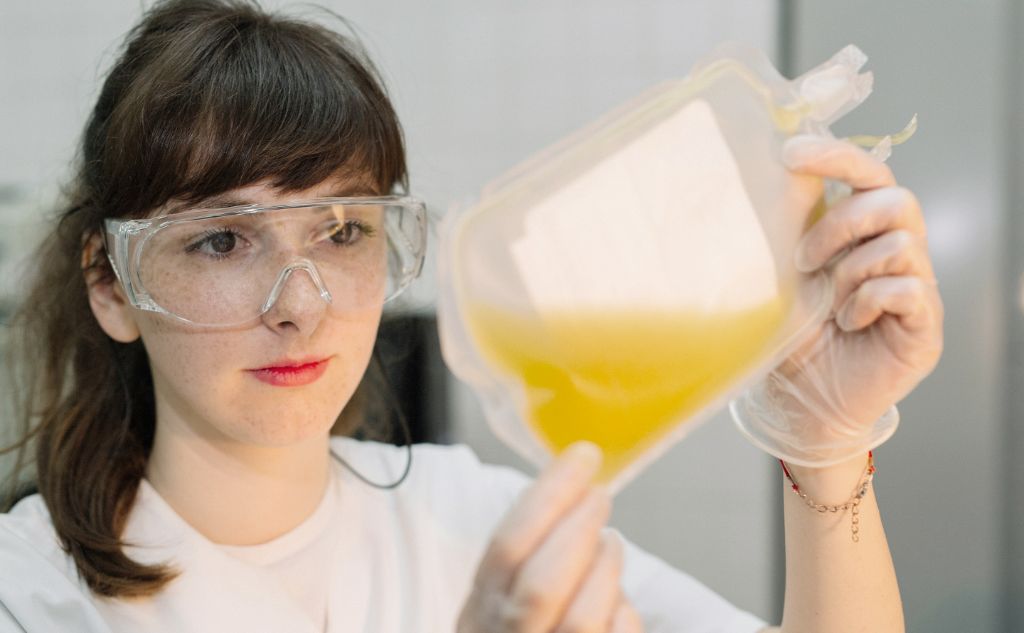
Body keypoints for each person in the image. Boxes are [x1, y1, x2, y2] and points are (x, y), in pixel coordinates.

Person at [0, 1, 943, 632]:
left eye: (341, 230)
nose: (300, 306)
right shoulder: (30, 594)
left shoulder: (473, 518)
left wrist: (827, 446)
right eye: (221, 241)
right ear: (112, 284)